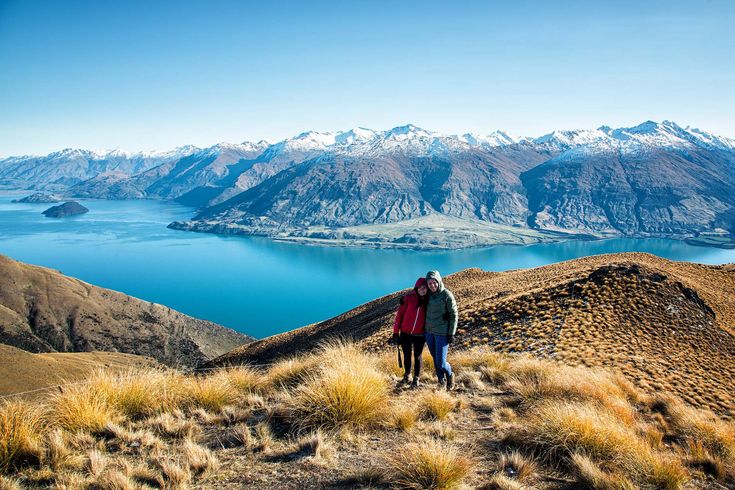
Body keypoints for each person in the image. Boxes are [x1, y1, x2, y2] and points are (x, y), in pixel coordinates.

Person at [390, 277, 429, 388]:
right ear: (416, 287)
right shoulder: (408, 298)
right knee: (407, 355)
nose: (422, 289)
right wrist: (395, 332)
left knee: (418, 357)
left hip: (420, 335)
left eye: (425, 288)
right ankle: (407, 375)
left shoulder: (429, 300)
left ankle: (416, 378)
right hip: (405, 333)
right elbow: (399, 315)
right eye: (420, 287)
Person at [424, 270, 458, 390]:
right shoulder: (427, 295)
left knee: (441, 362)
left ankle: (450, 374)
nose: (432, 285)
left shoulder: (446, 295)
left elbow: (454, 314)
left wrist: (451, 333)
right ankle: (441, 380)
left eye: (434, 283)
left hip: (442, 333)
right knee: (435, 358)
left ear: (439, 281)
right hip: (429, 332)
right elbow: (417, 291)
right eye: (429, 283)